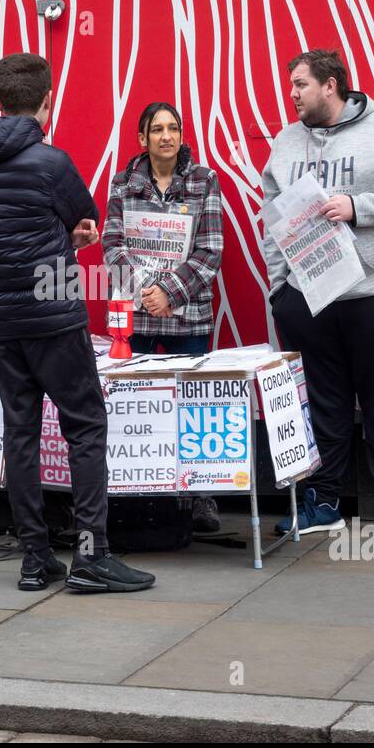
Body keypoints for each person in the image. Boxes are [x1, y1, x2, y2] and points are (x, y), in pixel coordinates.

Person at [0, 53, 156, 593]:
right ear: (48, 100)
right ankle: (92, 556)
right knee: (86, 426)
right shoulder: (51, 161)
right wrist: (70, 238)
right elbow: (86, 220)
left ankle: (34, 558)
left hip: (3, 319)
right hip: (54, 310)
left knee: (20, 432)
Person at [262, 49, 374, 541]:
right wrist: (281, 288)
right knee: (325, 404)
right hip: (309, 298)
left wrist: (356, 206)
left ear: (330, 85)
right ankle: (324, 502)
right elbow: (272, 218)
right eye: (292, 85)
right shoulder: (286, 143)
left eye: (300, 85)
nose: (292, 94)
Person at [101, 101, 225, 532]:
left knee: (192, 409)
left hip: (187, 314)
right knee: (131, 409)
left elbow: (211, 251)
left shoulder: (205, 180)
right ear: (142, 139)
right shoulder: (122, 182)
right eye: (157, 129)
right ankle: (128, 497)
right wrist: (145, 292)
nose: (166, 136)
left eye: (173, 128)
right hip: (135, 317)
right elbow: (111, 247)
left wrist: (169, 292)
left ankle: (199, 498)